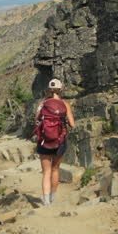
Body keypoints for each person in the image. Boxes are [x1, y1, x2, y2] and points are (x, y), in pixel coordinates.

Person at [35, 78, 75, 206]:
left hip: (44, 140)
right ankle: (52, 196)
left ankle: (46, 200)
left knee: (46, 171)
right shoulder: (65, 104)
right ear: (61, 89)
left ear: (49, 90)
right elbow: (72, 124)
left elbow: (36, 119)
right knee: (55, 169)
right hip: (60, 140)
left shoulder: (42, 103)